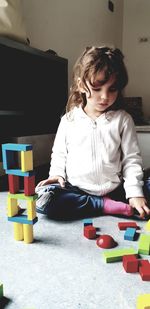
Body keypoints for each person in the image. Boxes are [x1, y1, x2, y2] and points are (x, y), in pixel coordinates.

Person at [35, 45, 150, 220]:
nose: (105, 97)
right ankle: (101, 205)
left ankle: (117, 202)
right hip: (77, 190)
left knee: (144, 185)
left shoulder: (123, 119)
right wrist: (56, 174)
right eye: (97, 89)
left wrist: (134, 192)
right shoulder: (68, 120)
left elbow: (131, 159)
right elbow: (59, 154)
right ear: (81, 85)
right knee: (44, 199)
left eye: (112, 89)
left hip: (116, 189)